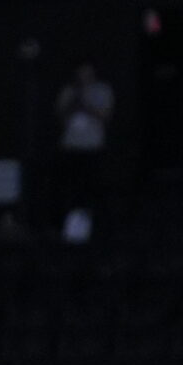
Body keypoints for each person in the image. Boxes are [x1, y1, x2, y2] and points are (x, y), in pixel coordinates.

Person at [54, 60, 113, 242]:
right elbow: (60, 114)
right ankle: (70, 229)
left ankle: (90, 230)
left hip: (92, 148)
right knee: (71, 189)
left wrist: (85, 104)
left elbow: (105, 115)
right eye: (81, 72)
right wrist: (72, 101)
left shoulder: (102, 90)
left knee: (90, 190)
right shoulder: (70, 90)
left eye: (87, 72)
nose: (84, 75)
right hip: (71, 147)